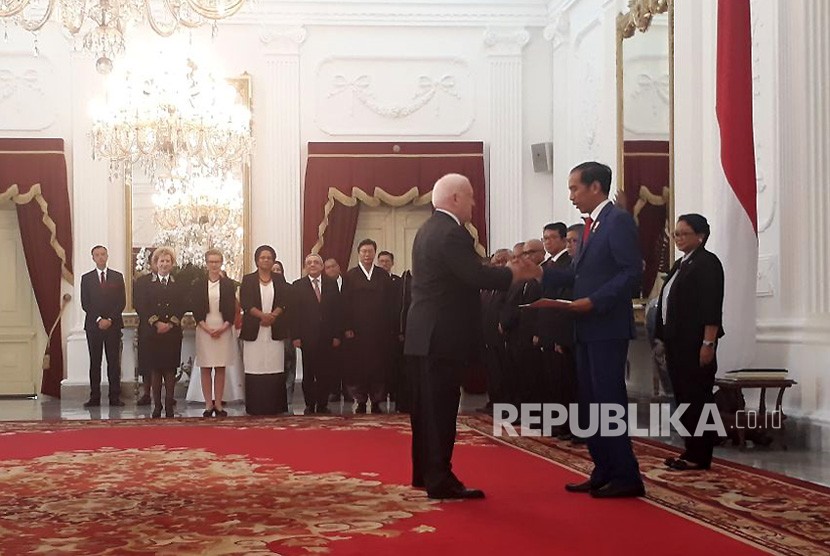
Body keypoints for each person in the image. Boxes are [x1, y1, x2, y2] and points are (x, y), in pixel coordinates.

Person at [405, 173, 527, 500]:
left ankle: (426, 473)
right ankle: (441, 480)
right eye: (471, 197)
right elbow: (473, 275)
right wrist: (512, 273)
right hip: (442, 336)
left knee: (425, 411)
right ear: (456, 198)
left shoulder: (427, 230)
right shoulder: (452, 232)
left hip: (424, 333)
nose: (474, 203)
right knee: (441, 410)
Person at [538, 161, 645, 498]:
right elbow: (581, 276)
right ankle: (603, 469)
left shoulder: (618, 221)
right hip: (586, 328)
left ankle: (627, 476)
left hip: (607, 327)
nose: (571, 196)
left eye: (574, 188)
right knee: (590, 403)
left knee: (609, 403)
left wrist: (594, 302)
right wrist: (542, 274)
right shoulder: (590, 227)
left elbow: (631, 273)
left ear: (595, 187)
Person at [656, 214, 725, 471]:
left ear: (701, 236)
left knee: (697, 397)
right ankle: (691, 448)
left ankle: (701, 453)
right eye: (675, 234)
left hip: (696, 343)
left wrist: (708, 343)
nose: (678, 238)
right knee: (684, 397)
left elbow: (711, 307)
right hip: (677, 344)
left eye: (683, 233)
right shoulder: (681, 263)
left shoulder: (707, 263)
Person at [343, 239, 396, 414]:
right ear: (359, 253)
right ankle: (360, 399)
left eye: (370, 251)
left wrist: (390, 328)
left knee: (378, 365)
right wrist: (347, 327)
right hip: (357, 332)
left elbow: (390, 304)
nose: (367, 255)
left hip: (379, 331)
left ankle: (377, 400)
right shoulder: (350, 276)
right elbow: (345, 303)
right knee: (358, 366)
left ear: (375, 253)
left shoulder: (382, 275)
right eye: (364, 251)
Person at [133, 246, 185, 418]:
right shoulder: (144, 283)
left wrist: (169, 324)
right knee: (155, 370)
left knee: (170, 370)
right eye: (161, 261)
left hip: (172, 333)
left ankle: (169, 405)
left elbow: (182, 306)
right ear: (155, 263)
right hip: (152, 334)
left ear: (172, 264)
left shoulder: (179, 284)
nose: (164, 264)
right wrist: (156, 323)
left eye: (167, 261)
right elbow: (141, 305)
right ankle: (157, 406)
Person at [240, 246, 291, 415]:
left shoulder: (279, 279)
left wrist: (273, 316)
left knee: (274, 366)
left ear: (273, 260)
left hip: (274, 329)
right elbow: (245, 303)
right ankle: (255, 407)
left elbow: (284, 301)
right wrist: (262, 316)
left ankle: (275, 406)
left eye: (269, 257)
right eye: (262, 257)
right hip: (254, 329)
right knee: (255, 366)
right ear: (256, 260)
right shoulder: (248, 280)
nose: (266, 260)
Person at [538, 223, 577, 439]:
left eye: (552, 237)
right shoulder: (549, 264)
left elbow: (564, 302)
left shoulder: (566, 264)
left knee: (566, 383)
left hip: (562, 332)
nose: (548, 242)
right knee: (552, 382)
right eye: (545, 238)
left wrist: (559, 336)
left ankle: (568, 425)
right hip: (548, 330)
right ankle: (557, 423)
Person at [290, 254, 342, 414]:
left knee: (325, 372)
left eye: (316, 262)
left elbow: (337, 312)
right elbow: (294, 313)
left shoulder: (331, 284)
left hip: (327, 336)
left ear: (321, 266)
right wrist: (295, 336)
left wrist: (337, 335)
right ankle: (310, 404)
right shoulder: (297, 285)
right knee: (309, 373)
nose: (313, 265)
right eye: (309, 263)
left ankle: (322, 404)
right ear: (305, 267)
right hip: (307, 337)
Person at [191, 249, 237, 418]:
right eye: (211, 261)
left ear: (221, 263)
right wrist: (206, 328)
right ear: (206, 263)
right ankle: (208, 404)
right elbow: (196, 308)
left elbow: (232, 308)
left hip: (223, 326)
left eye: (217, 261)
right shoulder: (198, 284)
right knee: (205, 366)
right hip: (205, 327)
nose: (214, 265)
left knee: (220, 366)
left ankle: (218, 403)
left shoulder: (228, 284)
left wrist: (223, 327)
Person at [80, 245, 126, 407]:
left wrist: (110, 320)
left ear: (107, 256)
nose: (100, 257)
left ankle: (114, 396)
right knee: (95, 362)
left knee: (113, 362)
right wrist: (99, 319)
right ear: (93, 258)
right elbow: (86, 303)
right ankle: (95, 397)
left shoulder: (117, 277)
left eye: (103, 254)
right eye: (97, 255)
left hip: (113, 326)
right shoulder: (86, 279)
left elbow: (121, 302)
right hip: (94, 327)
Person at [273, 260, 297, 407]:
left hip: (287, 333)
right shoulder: (264, 288)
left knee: (289, 366)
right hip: (270, 334)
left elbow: (295, 312)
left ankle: (288, 398)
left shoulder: (290, 289)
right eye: (273, 270)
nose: (276, 272)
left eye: (278, 270)